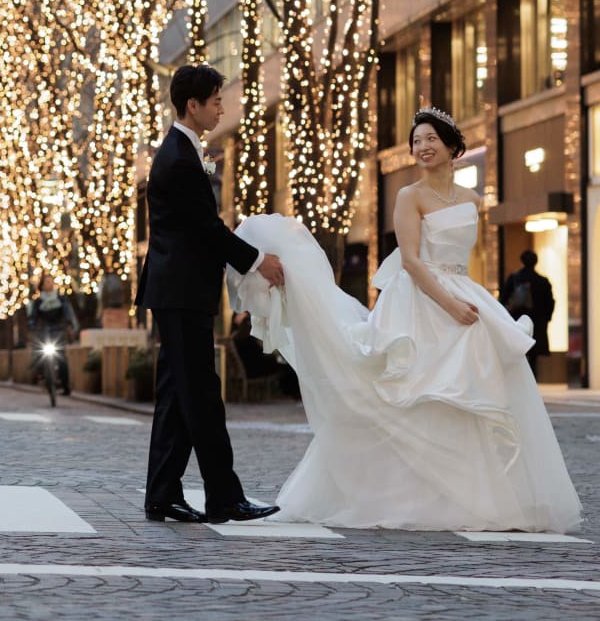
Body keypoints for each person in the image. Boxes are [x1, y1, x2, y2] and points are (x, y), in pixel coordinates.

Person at [227, 107, 582, 532]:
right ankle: (408, 496)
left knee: (471, 391)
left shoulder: (473, 199)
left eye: (431, 139)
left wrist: (469, 300)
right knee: (411, 391)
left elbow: (464, 258)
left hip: (464, 289)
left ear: (452, 145)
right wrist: (450, 305)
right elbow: (412, 262)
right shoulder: (409, 196)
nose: (422, 147)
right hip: (421, 301)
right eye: (417, 141)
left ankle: (478, 496)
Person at [135, 63, 284, 525]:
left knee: (177, 395)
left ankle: (162, 494)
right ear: (192, 105)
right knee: (201, 395)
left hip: (179, 291)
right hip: (182, 293)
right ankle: (224, 497)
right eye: (216, 101)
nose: (222, 107)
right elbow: (206, 228)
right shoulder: (180, 158)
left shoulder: (182, 150)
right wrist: (257, 260)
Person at [499, 250, 555, 377]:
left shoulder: (514, 279)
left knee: (519, 352)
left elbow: (503, 299)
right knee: (533, 354)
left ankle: (519, 379)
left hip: (517, 320)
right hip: (537, 322)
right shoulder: (542, 281)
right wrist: (546, 319)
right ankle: (532, 379)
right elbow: (550, 303)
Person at [27, 276, 79, 395]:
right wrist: (32, 326)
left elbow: (67, 312)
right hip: (43, 332)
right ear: (42, 285)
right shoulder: (38, 301)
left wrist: (68, 323)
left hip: (58, 331)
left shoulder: (61, 298)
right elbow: (33, 317)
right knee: (39, 354)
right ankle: (42, 376)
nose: (49, 284)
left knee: (61, 358)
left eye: (51, 282)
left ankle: (65, 385)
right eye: (47, 282)